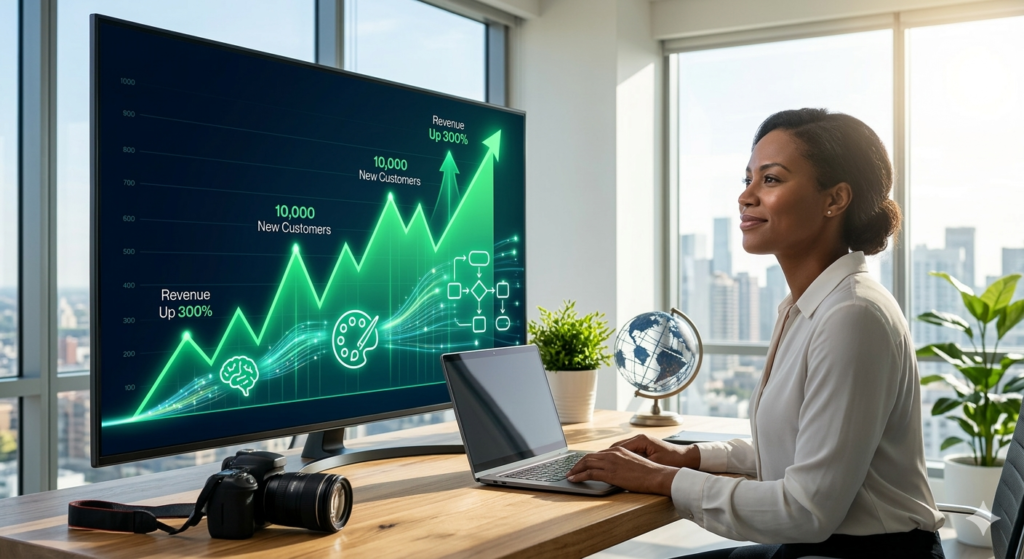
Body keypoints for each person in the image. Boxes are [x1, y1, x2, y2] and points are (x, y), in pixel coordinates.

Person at [565, 108, 946, 558]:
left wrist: (658, 479)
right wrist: (689, 457)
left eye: (771, 180)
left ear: (835, 198)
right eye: (747, 179)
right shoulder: (808, 307)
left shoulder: (852, 315)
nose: (746, 197)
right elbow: (800, 450)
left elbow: (806, 508)